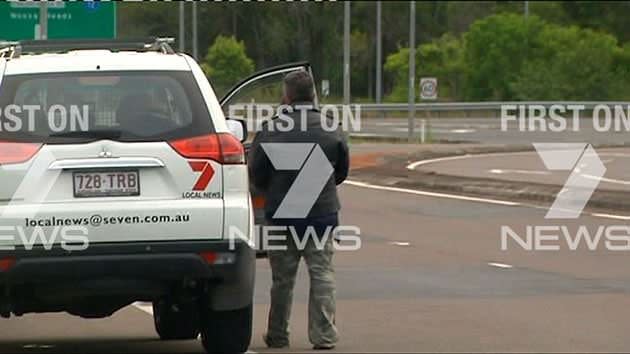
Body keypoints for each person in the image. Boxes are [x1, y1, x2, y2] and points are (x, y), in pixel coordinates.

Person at [248, 70, 349, 350]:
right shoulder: (332, 127)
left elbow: (257, 174)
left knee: (282, 280)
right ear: (313, 94)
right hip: (321, 214)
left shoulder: (272, 128)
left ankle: (278, 334)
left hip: (282, 215)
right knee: (323, 275)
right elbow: (341, 171)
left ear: (287, 95)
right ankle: (324, 335)